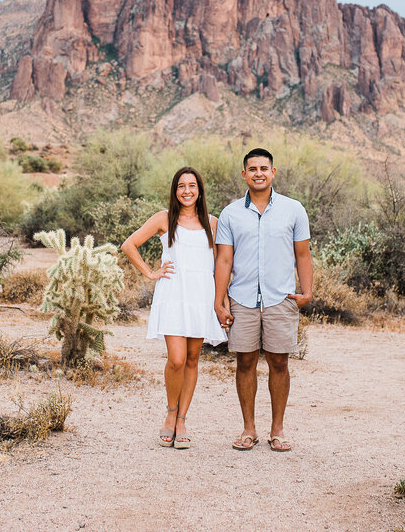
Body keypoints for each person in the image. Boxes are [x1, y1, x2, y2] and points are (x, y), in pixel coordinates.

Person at [214, 147, 313, 452]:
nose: (258, 173)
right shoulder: (231, 213)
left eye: (263, 168)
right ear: (244, 174)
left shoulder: (293, 209)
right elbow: (224, 261)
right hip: (242, 298)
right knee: (244, 362)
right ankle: (248, 429)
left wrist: (306, 292)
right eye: (252, 168)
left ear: (273, 172)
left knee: (279, 362)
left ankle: (278, 429)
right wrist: (220, 301)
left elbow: (302, 253)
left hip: (280, 298)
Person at [121, 166, 227, 450]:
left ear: (200, 190)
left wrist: (222, 301)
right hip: (173, 294)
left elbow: (221, 265)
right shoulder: (163, 219)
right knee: (177, 359)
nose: (187, 191)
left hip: (201, 296)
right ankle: (170, 412)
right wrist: (150, 272)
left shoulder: (213, 223)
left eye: (192, 186)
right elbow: (129, 245)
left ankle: (182, 420)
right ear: (174, 190)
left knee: (193, 359)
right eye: (181, 186)